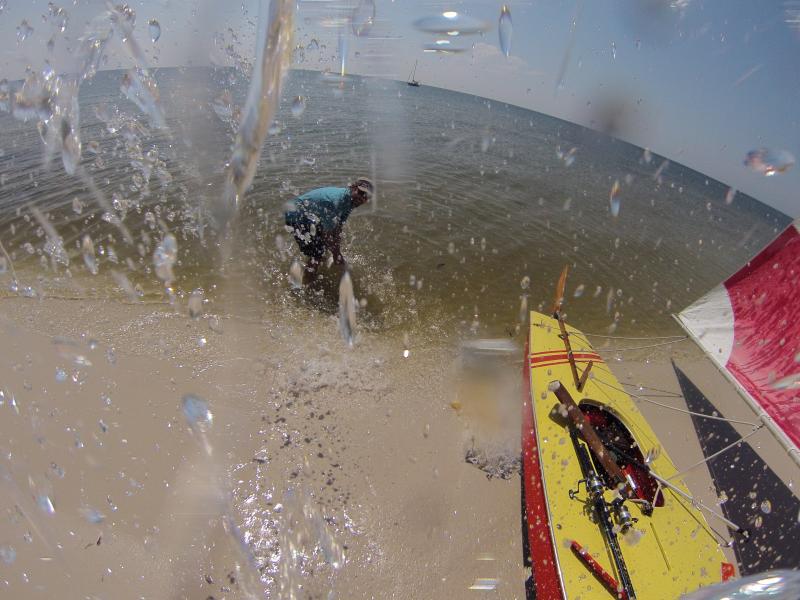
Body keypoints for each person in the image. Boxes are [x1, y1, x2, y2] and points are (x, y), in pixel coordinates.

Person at [284, 178, 373, 280]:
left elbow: (338, 227)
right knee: (317, 255)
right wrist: (337, 255)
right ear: (353, 188)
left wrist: (336, 250)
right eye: (361, 193)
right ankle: (307, 285)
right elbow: (327, 233)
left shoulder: (351, 201)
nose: (362, 198)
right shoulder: (336, 201)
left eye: (366, 196)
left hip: (309, 214)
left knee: (322, 246)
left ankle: (313, 267)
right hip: (295, 214)